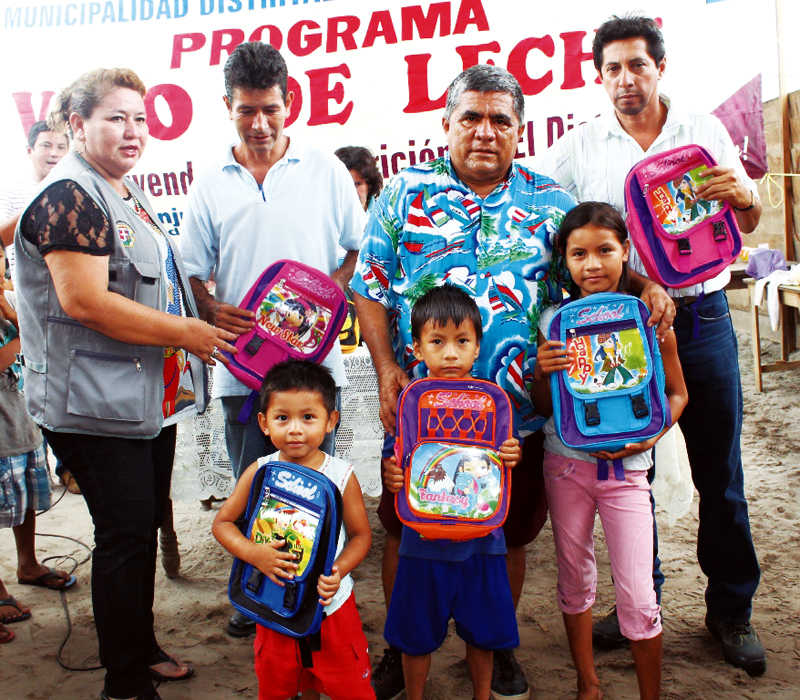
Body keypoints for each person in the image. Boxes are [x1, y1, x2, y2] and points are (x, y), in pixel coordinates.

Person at [350, 63, 673, 700]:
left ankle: (494, 645)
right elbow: (367, 290)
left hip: (519, 416)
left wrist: (648, 286)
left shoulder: (549, 203)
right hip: (422, 411)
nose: (485, 131)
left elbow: (592, 268)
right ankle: (401, 646)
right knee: (408, 529)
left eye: (501, 120)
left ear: (519, 132)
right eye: (470, 117)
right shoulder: (402, 196)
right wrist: (388, 368)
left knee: (506, 531)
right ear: (446, 123)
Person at [535, 15, 766, 676]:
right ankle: (644, 602)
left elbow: (742, 221)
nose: (625, 79)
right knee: (629, 465)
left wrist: (745, 194)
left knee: (718, 470)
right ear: (598, 76)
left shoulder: (702, 131)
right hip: (618, 330)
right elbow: (554, 229)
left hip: (703, 318)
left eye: (637, 65)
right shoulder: (579, 149)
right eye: (611, 68)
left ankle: (731, 609)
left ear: (659, 67)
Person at [13, 68, 236, 700]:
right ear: (77, 125)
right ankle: (124, 680)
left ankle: (140, 647)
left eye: (140, 117)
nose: (134, 130)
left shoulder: (119, 188)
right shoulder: (69, 196)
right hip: (90, 405)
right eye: (116, 117)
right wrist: (185, 332)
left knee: (139, 528)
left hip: (139, 400)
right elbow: (84, 302)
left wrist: (198, 319)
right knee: (120, 536)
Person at [181, 41, 365, 638]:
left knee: (316, 486)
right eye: (245, 111)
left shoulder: (326, 170)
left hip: (315, 373)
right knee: (253, 483)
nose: (259, 124)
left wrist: (329, 302)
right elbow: (193, 269)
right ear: (226, 107)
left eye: (270, 109)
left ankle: (317, 590)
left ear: (290, 103)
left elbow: (357, 251)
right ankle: (253, 595)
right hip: (242, 369)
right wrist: (211, 307)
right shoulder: (210, 182)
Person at [532, 202, 688, 699]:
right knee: (574, 579)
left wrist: (654, 433)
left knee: (640, 596)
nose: (593, 264)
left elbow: (677, 393)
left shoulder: (647, 317)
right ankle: (588, 683)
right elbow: (544, 407)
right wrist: (543, 371)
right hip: (565, 464)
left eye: (605, 250)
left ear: (625, 251)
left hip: (628, 472)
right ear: (565, 259)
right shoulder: (553, 323)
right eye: (579, 253)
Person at [382, 285, 522, 700]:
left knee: (483, 632)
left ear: (478, 347)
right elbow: (400, 457)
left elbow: (501, 452)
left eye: (461, 342)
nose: (449, 354)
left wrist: (511, 452)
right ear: (417, 347)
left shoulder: (492, 400)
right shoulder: (411, 401)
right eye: (437, 342)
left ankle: (482, 695)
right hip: (422, 538)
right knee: (413, 633)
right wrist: (393, 475)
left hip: (482, 539)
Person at [212, 360, 373, 700]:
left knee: (349, 686)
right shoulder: (258, 471)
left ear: (331, 420)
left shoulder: (341, 476)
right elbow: (222, 523)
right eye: (282, 418)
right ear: (264, 423)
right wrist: (253, 553)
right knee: (280, 685)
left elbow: (361, 536)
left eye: (308, 417)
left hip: (332, 606)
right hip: (273, 603)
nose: (295, 429)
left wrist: (339, 570)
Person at [0, 245, 76, 646]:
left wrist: (14, 312)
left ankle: (27, 564)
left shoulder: (10, 300)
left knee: (24, 496)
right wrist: (24, 328)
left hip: (19, 422)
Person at [335, 145, 383, 211]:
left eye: (357, 184)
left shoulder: (385, 217)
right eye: (344, 185)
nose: (351, 191)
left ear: (370, 185)